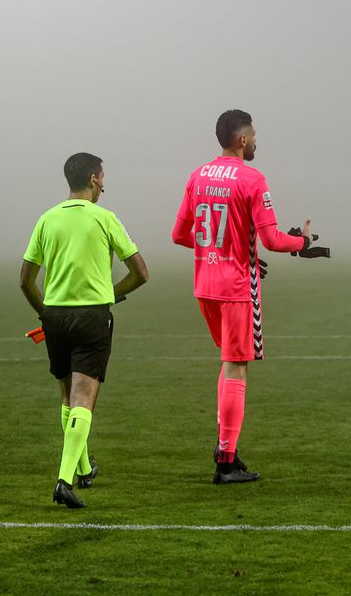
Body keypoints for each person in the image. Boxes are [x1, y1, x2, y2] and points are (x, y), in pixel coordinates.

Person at [172, 110, 323, 484]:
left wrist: (220, 249)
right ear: (242, 140)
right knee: (237, 366)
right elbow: (272, 240)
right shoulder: (252, 179)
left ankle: (227, 448)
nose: (257, 140)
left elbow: (180, 234)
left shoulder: (198, 176)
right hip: (237, 288)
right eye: (254, 135)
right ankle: (225, 460)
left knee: (227, 363)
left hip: (205, 285)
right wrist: (303, 241)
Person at [20, 152, 149, 508]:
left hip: (56, 318)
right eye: (103, 177)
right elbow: (140, 273)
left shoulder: (46, 220)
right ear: (93, 179)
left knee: (67, 396)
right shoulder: (105, 218)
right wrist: (111, 295)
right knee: (83, 399)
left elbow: (26, 280)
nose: (104, 184)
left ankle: (85, 466)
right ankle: (64, 480)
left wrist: (45, 312)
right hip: (92, 316)